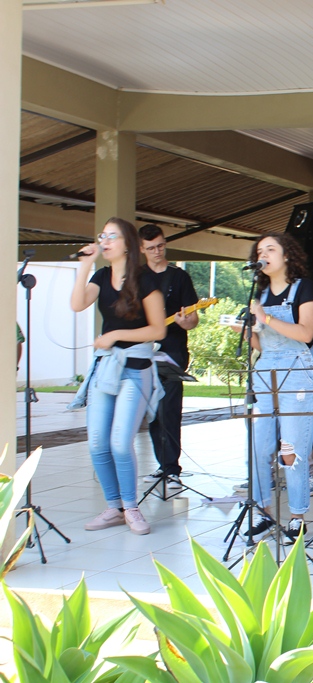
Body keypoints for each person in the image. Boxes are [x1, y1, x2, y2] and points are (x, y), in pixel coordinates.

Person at [70, 217, 166, 535]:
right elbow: (77, 304)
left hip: (135, 369)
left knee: (120, 443)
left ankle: (131, 507)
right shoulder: (101, 275)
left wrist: (114, 335)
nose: (105, 241)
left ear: (127, 244)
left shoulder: (145, 279)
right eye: (103, 236)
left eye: (112, 236)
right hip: (107, 367)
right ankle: (114, 507)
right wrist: (85, 265)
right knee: (97, 442)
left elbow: (158, 330)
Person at [243, 233, 313, 542]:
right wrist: (246, 330)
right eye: (259, 251)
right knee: (259, 447)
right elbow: (261, 345)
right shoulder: (258, 294)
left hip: (298, 372)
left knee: (291, 449)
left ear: (287, 255)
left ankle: (297, 517)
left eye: (270, 249)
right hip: (266, 371)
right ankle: (263, 512)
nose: (263, 255)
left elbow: (306, 333)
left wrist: (266, 318)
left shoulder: (304, 287)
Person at [138, 224, 199, 491]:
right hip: (142, 349)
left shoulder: (179, 277)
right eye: (151, 248)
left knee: (169, 409)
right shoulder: (136, 277)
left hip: (172, 351)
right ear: (142, 249)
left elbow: (193, 319)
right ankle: (163, 465)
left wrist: (186, 322)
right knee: (152, 411)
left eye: (161, 246)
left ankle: (172, 469)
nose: (157, 251)